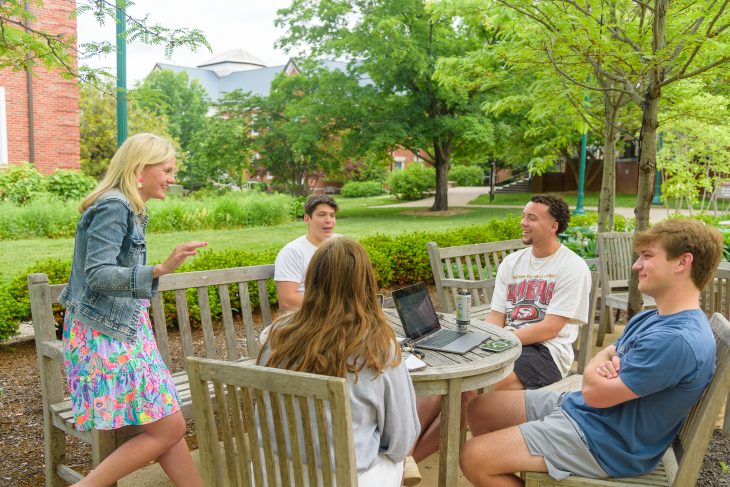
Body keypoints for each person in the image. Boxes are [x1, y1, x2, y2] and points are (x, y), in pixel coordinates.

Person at [460, 218, 723, 487]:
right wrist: (601, 363)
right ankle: (513, 458)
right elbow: (606, 357)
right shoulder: (653, 318)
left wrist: (595, 369)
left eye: (647, 256)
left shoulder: (677, 340)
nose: (636, 265)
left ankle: (503, 459)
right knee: (481, 408)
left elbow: (595, 393)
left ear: (683, 262)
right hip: (590, 414)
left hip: (608, 443)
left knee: (473, 457)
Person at [59, 133, 206, 487]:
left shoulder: (132, 207)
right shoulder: (115, 205)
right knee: (169, 425)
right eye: (167, 170)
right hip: (105, 336)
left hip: (125, 331)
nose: (172, 178)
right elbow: (96, 274)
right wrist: (159, 269)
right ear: (141, 168)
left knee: (167, 426)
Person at [407, 194, 591, 470]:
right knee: (442, 385)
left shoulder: (572, 267)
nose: (523, 223)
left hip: (546, 353)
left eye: (532, 218)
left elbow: (551, 328)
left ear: (554, 226)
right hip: (504, 345)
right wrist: (476, 343)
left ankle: (398, 472)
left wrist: (501, 341)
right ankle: (403, 460)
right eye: (523, 216)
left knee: (467, 395)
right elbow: (496, 317)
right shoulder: (512, 263)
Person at [258, 238, 420, 485]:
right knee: (399, 455)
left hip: (277, 474)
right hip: (347, 478)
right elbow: (401, 440)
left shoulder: (276, 335)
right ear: (364, 283)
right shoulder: (377, 346)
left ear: (312, 279)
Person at [274, 194, 338, 311]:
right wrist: (333, 305)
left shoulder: (339, 246)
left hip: (334, 318)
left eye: (332, 215)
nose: (328, 220)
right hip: (303, 320)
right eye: (322, 215)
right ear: (307, 219)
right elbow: (287, 301)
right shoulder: (292, 252)